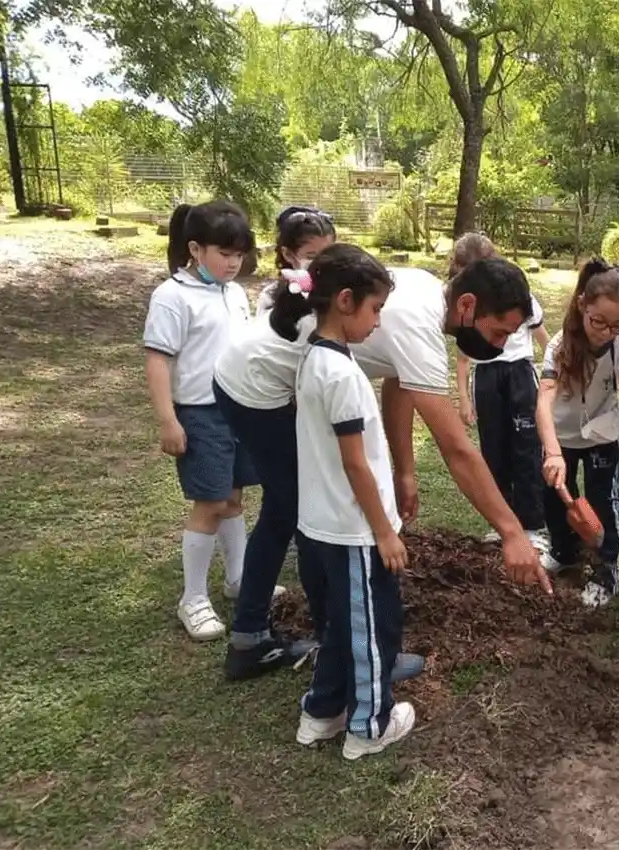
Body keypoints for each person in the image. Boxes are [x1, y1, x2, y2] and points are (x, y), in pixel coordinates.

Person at [268, 243, 415, 759]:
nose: (378, 322)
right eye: (375, 309)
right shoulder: (342, 375)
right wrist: (384, 532)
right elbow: (356, 464)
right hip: (354, 531)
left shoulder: (314, 355)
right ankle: (369, 726)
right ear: (346, 301)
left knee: (337, 624)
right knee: (372, 630)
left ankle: (321, 712)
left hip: (321, 523)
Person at [349, 256, 551, 593]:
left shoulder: (428, 288)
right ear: (467, 305)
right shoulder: (418, 324)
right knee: (292, 504)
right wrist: (513, 533)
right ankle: (263, 616)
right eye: (498, 332)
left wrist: (405, 472)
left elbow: (399, 382)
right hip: (273, 386)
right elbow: (457, 449)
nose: (500, 346)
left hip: (303, 379)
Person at [212, 206, 335, 677]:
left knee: (284, 511)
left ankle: (250, 634)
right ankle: (328, 636)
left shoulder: (310, 299)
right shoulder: (313, 317)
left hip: (246, 385)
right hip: (251, 396)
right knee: (302, 513)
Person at [143, 200, 258, 641]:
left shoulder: (234, 293)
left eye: (239, 255)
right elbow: (157, 360)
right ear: (195, 249)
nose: (233, 263)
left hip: (240, 409)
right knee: (209, 503)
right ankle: (192, 598)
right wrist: (168, 420)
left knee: (233, 498)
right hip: (201, 413)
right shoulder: (172, 296)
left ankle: (239, 579)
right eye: (224, 254)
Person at [536, 259, 619, 607]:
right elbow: (544, 399)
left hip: (602, 436)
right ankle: (563, 551)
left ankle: (605, 570)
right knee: (554, 498)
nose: (606, 332)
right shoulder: (559, 347)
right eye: (598, 321)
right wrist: (552, 452)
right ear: (582, 305)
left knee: (603, 502)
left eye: (617, 325)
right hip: (560, 438)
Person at [453, 234, 551, 549]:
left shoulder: (519, 297)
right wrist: (464, 398)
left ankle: (533, 524)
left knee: (526, 447)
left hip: (519, 374)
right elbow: (463, 356)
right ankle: (502, 520)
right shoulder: (466, 308)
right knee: (493, 449)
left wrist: (555, 377)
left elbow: (544, 339)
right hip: (487, 376)